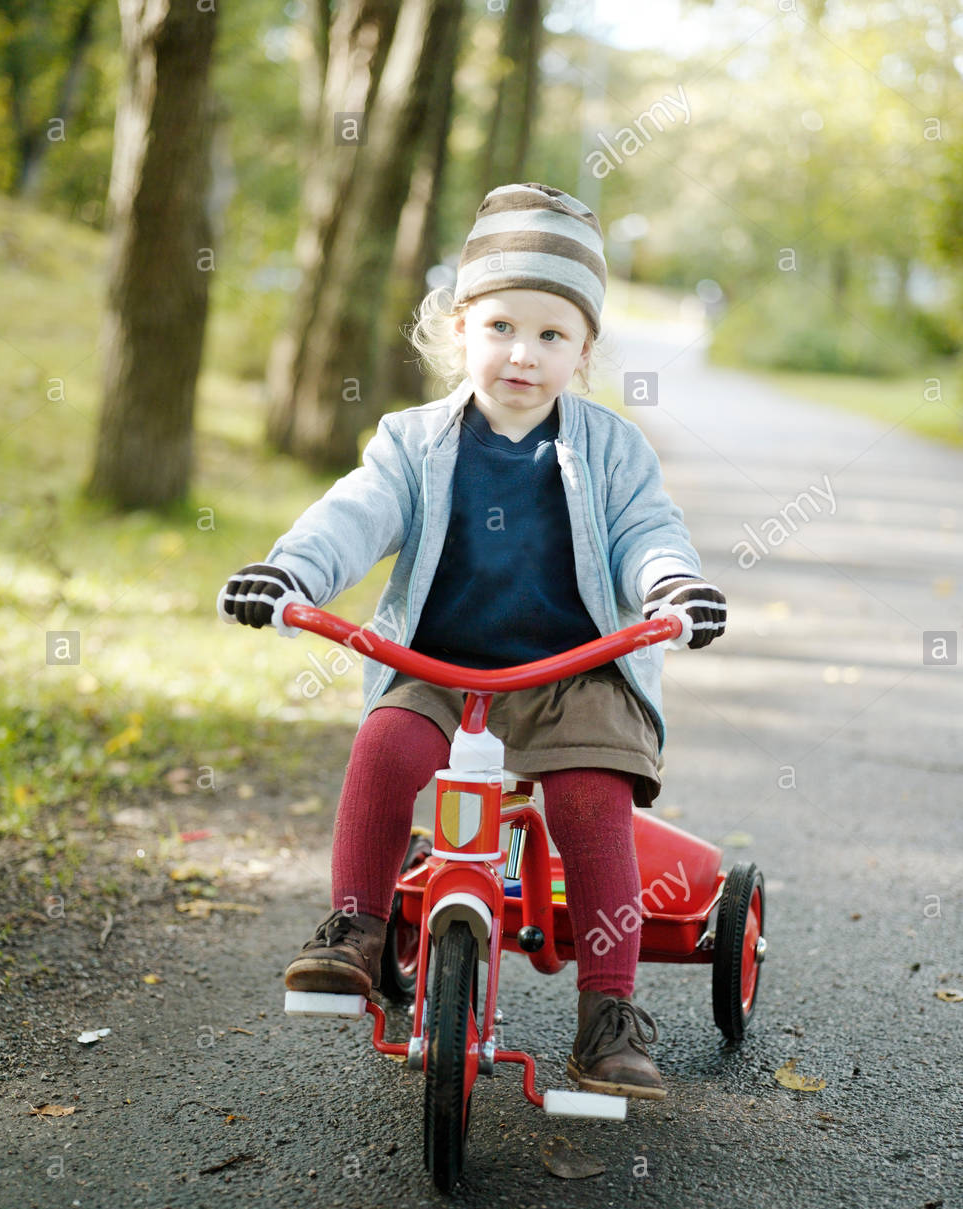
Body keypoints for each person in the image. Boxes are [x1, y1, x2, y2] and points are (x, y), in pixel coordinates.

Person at [219, 182, 726, 1099]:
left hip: (575, 674)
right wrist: (290, 574)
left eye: (549, 335)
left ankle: (607, 1011)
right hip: (438, 664)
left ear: (583, 349)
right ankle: (356, 929)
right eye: (499, 326)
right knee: (384, 745)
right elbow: (353, 516)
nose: (521, 355)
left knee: (588, 803)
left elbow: (646, 533)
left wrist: (672, 586)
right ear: (458, 329)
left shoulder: (613, 451)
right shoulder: (410, 442)